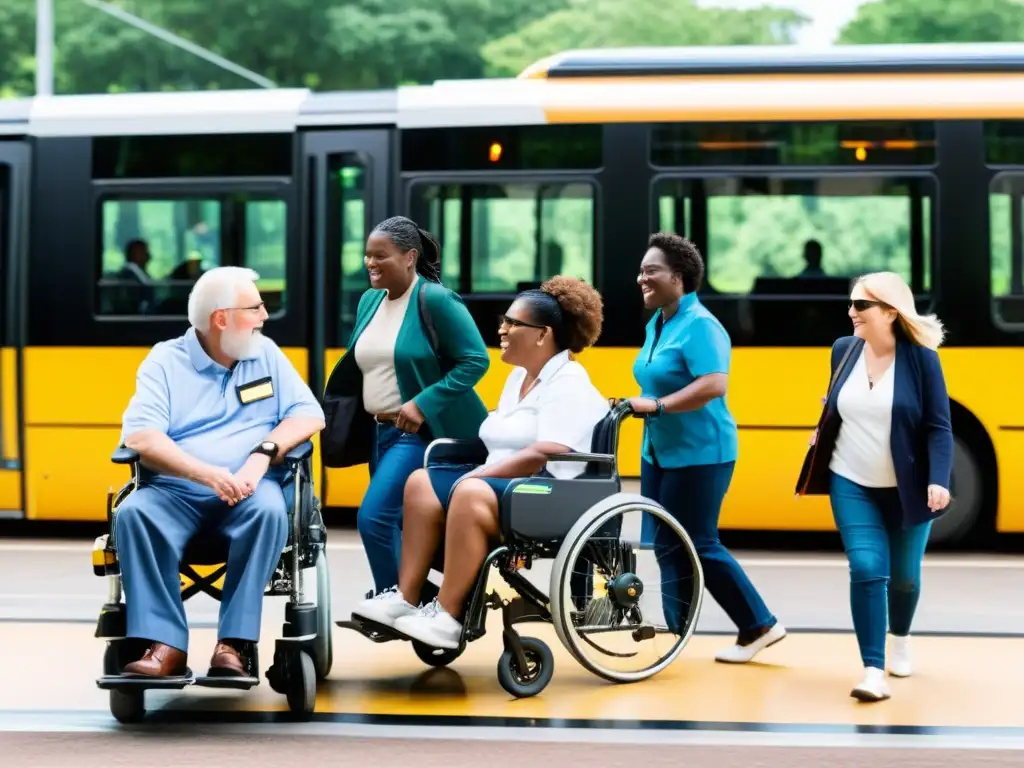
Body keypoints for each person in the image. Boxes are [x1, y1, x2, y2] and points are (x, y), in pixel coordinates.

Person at [350, 276, 609, 649]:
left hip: (547, 491)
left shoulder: (568, 381)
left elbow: (544, 452)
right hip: (506, 488)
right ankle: (405, 598)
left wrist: (481, 474)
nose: (501, 329)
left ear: (542, 335)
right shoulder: (518, 378)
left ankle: (448, 615)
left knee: (469, 491)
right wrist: (478, 473)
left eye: (512, 323)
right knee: (421, 482)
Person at [114, 266, 326, 678]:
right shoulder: (164, 361)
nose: (265, 315)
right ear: (221, 318)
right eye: (255, 307)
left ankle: (235, 644)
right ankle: (166, 646)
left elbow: (308, 413)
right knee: (133, 513)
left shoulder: (264, 354)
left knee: (269, 510)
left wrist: (262, 454)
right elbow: (141, 436)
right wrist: (207, 475)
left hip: (250, 491)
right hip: (176, 494)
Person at [628, 232, 786, 663]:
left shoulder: (701, 324)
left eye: (651, 270)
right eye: (641, 270)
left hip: (702, 453)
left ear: (678, 277)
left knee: (697, 542)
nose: (642, 277)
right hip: (659, 451)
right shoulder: (660, 322)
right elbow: (658, 377)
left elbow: (713, 385)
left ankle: (760, 625)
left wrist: (657, 406)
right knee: (664, 545)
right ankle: (677, 636)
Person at [797, 271, 952, 702]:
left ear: (890, 311)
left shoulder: (922, 359)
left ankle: (899, 637)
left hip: (909, 488)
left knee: (903, 578)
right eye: (851, 304)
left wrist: (939, 479)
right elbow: (835, 408)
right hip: (852, 481)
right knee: (867, 568)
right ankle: (872, 670)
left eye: (860, 305)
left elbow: (939, 427)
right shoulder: (843, 351)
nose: (851, 313)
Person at [322, 216, 489, 599]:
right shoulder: (369, 300)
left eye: (380, 255)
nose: (370, 263)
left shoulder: (434, 299)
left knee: (374, 518)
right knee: (398, 523)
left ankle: (398, 599)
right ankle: (428, 604)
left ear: (410, 256)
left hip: (418, 434)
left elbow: (475, 360)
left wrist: (422, 403)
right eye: (366, 255)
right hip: (378, 432)